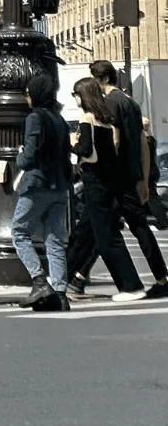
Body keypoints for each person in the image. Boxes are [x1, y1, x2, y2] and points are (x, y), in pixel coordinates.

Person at [87, 59, 168, 297]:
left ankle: (141, 282)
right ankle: (161, 277)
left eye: (94, 79)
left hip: (118, 176)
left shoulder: (110, 103)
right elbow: (140, 143)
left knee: (106, 228)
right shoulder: (130, 102)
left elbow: (115, 139)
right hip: (133, 174)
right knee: (140, 227)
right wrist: (143, 178)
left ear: (102, 79)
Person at [66, 76, 145, 299]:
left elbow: (87, 151)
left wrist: (72, 146)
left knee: (107, 238)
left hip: (94, 182)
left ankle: (130, 285)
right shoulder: (105, 120)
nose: (75, 98)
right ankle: (65, 276)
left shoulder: (87, 118)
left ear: (84, 95)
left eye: (76, 94)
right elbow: (109, 152)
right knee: (87, 234)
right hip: (109, 182)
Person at [9, 69, 73, 311]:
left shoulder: (34, 118)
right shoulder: (60, 120)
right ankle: (60, 293)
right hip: (59, 186)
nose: (26, 97)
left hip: (37, 183)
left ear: (36, 94)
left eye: (28, 93)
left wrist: (20, 155)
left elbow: (29, 158)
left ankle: (39, 282)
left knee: (19, 232)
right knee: (54, 240)